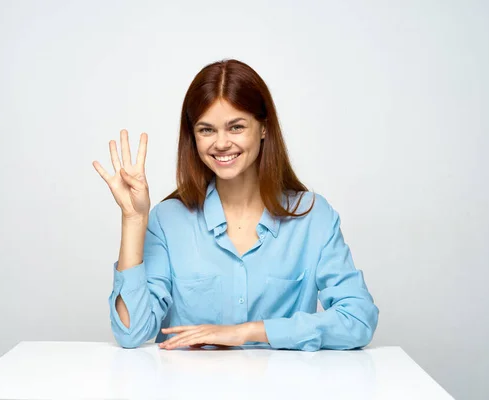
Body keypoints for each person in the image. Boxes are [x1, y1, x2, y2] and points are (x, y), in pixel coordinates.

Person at [92, 59, 379, 351]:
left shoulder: (313, 217)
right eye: (206, 130)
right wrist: (133, 218)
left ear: (263, 128)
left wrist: (248, 332)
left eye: (236, 127)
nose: (221, 143)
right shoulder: (168, 220)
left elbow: (358, 320)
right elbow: (131, 332)